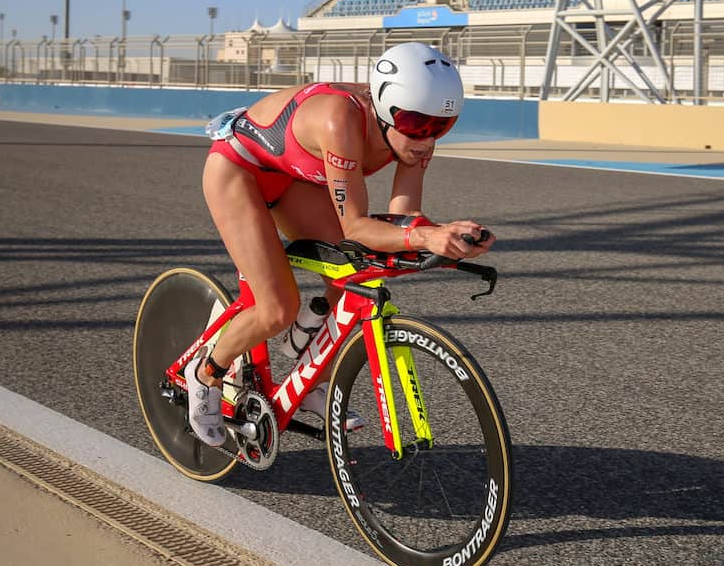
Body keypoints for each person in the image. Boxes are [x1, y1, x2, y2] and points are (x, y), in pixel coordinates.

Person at [186, 42, 494, 446]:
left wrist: (446, 237)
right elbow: (358, 226)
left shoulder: (415, 134)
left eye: (443, 125)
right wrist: (421, 234)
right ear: (384, 108)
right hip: (240, 169)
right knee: (277, 308)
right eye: (417, 124)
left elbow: (401, 222)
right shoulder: (339, 120)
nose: (428, 138)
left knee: (356, 268)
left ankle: (314, 374)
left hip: (293, 177)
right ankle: (205, 373)